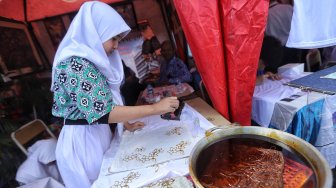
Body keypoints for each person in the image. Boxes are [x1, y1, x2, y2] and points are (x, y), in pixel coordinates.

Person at [50, 2, 179, 188]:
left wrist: (126, 123)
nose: (117, 46)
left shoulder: (89, 61)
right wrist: (154, 108)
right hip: (83, 143)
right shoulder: (74, 65)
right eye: (114, 39)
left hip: (96, 133)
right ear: (96, 33)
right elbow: (102, 111)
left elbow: (102, 99)